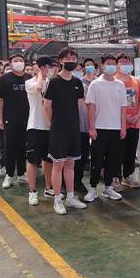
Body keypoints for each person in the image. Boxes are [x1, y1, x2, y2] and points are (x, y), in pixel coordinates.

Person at [44, 47, 87, 215]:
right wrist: (54, 124)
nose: (71, 61)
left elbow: (80, 105)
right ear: (61, 61)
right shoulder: (54, 81)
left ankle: (70, 197)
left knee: (71, 164)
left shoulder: (77, 82)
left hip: (74, 129)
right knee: (58, 165)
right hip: (58, 130)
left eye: (73, 58)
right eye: (67, 58)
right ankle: (57, 199)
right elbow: (47, 106)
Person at [84, 54, 127, 202]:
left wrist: (123, 127)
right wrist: (92, 128)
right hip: (99, 128)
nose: (111, 66)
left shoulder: (120, 85)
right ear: (102, 65)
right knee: (96, 161)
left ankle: (108, 188)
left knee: (112, 160)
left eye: (114, 63)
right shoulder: (95, 84)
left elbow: (123, 108)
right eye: (108, 63)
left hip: (115, 128)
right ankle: (93, 188)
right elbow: (91, 107)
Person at [0, 54, 30, 188]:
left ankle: (21, 173)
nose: (19, 62)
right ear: (10, 64)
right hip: (10, 118)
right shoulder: (5, 79)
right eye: (15, 61)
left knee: (23, 147)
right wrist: (0, 118)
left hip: (27, 119)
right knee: (10, 148)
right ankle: (9, 175)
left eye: (21, 60)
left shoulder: (29, 78)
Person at [25, 56, 56, 205]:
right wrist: (40, 75)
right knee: (32, 160)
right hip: (35, 126)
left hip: (50, 127)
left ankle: (49, 188)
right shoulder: (29, 83)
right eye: (48, 67)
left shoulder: (53, 83)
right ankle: (32, 191)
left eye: (51, 67)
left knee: (48, 160)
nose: (50, 69)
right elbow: (38, 88)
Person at [115, 53, 140, 189]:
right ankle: (116, 177)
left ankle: (128, 175)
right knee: (117, 152)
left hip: (134, 123)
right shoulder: (114, 81)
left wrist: (138, 116)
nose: (125, 64)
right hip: (118, 124)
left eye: (127, 62)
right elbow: (112, 102)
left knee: (131, 152)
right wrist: (125, 116)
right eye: (121, 62)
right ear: (117, 65)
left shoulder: (136, 81)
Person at [73, 58, 96, 193]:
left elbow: (90, 106)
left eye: (78, 69)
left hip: (83, 126)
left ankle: (78, 181)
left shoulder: (84, 86)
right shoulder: (58, 83)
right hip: (68, 128)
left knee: (82, 155)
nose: (76, 72)